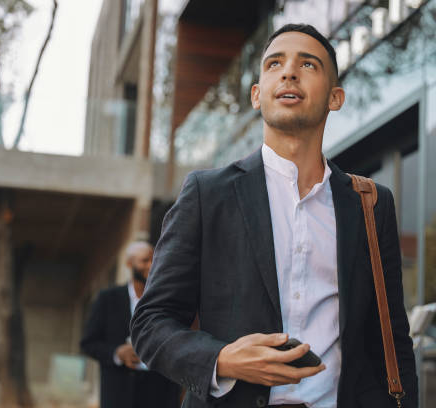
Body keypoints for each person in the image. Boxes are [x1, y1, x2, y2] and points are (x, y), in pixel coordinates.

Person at [131, 24, 418, 408]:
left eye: (309, 64)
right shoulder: (207, 194)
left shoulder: (370, 203)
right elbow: (151, 323)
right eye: (274, 63)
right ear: (256, 95)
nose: (289, 72)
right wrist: (223, 359)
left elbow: (392, 338)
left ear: (335, 98)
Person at [80, 241, 179, 408]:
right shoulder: (107, 299)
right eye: (145, 260)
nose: (151, 265)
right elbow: (88, 343)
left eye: (154, 259)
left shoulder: (166, 299)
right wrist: (116, 353)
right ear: (129, 264)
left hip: (159, 392)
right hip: (119, 393)